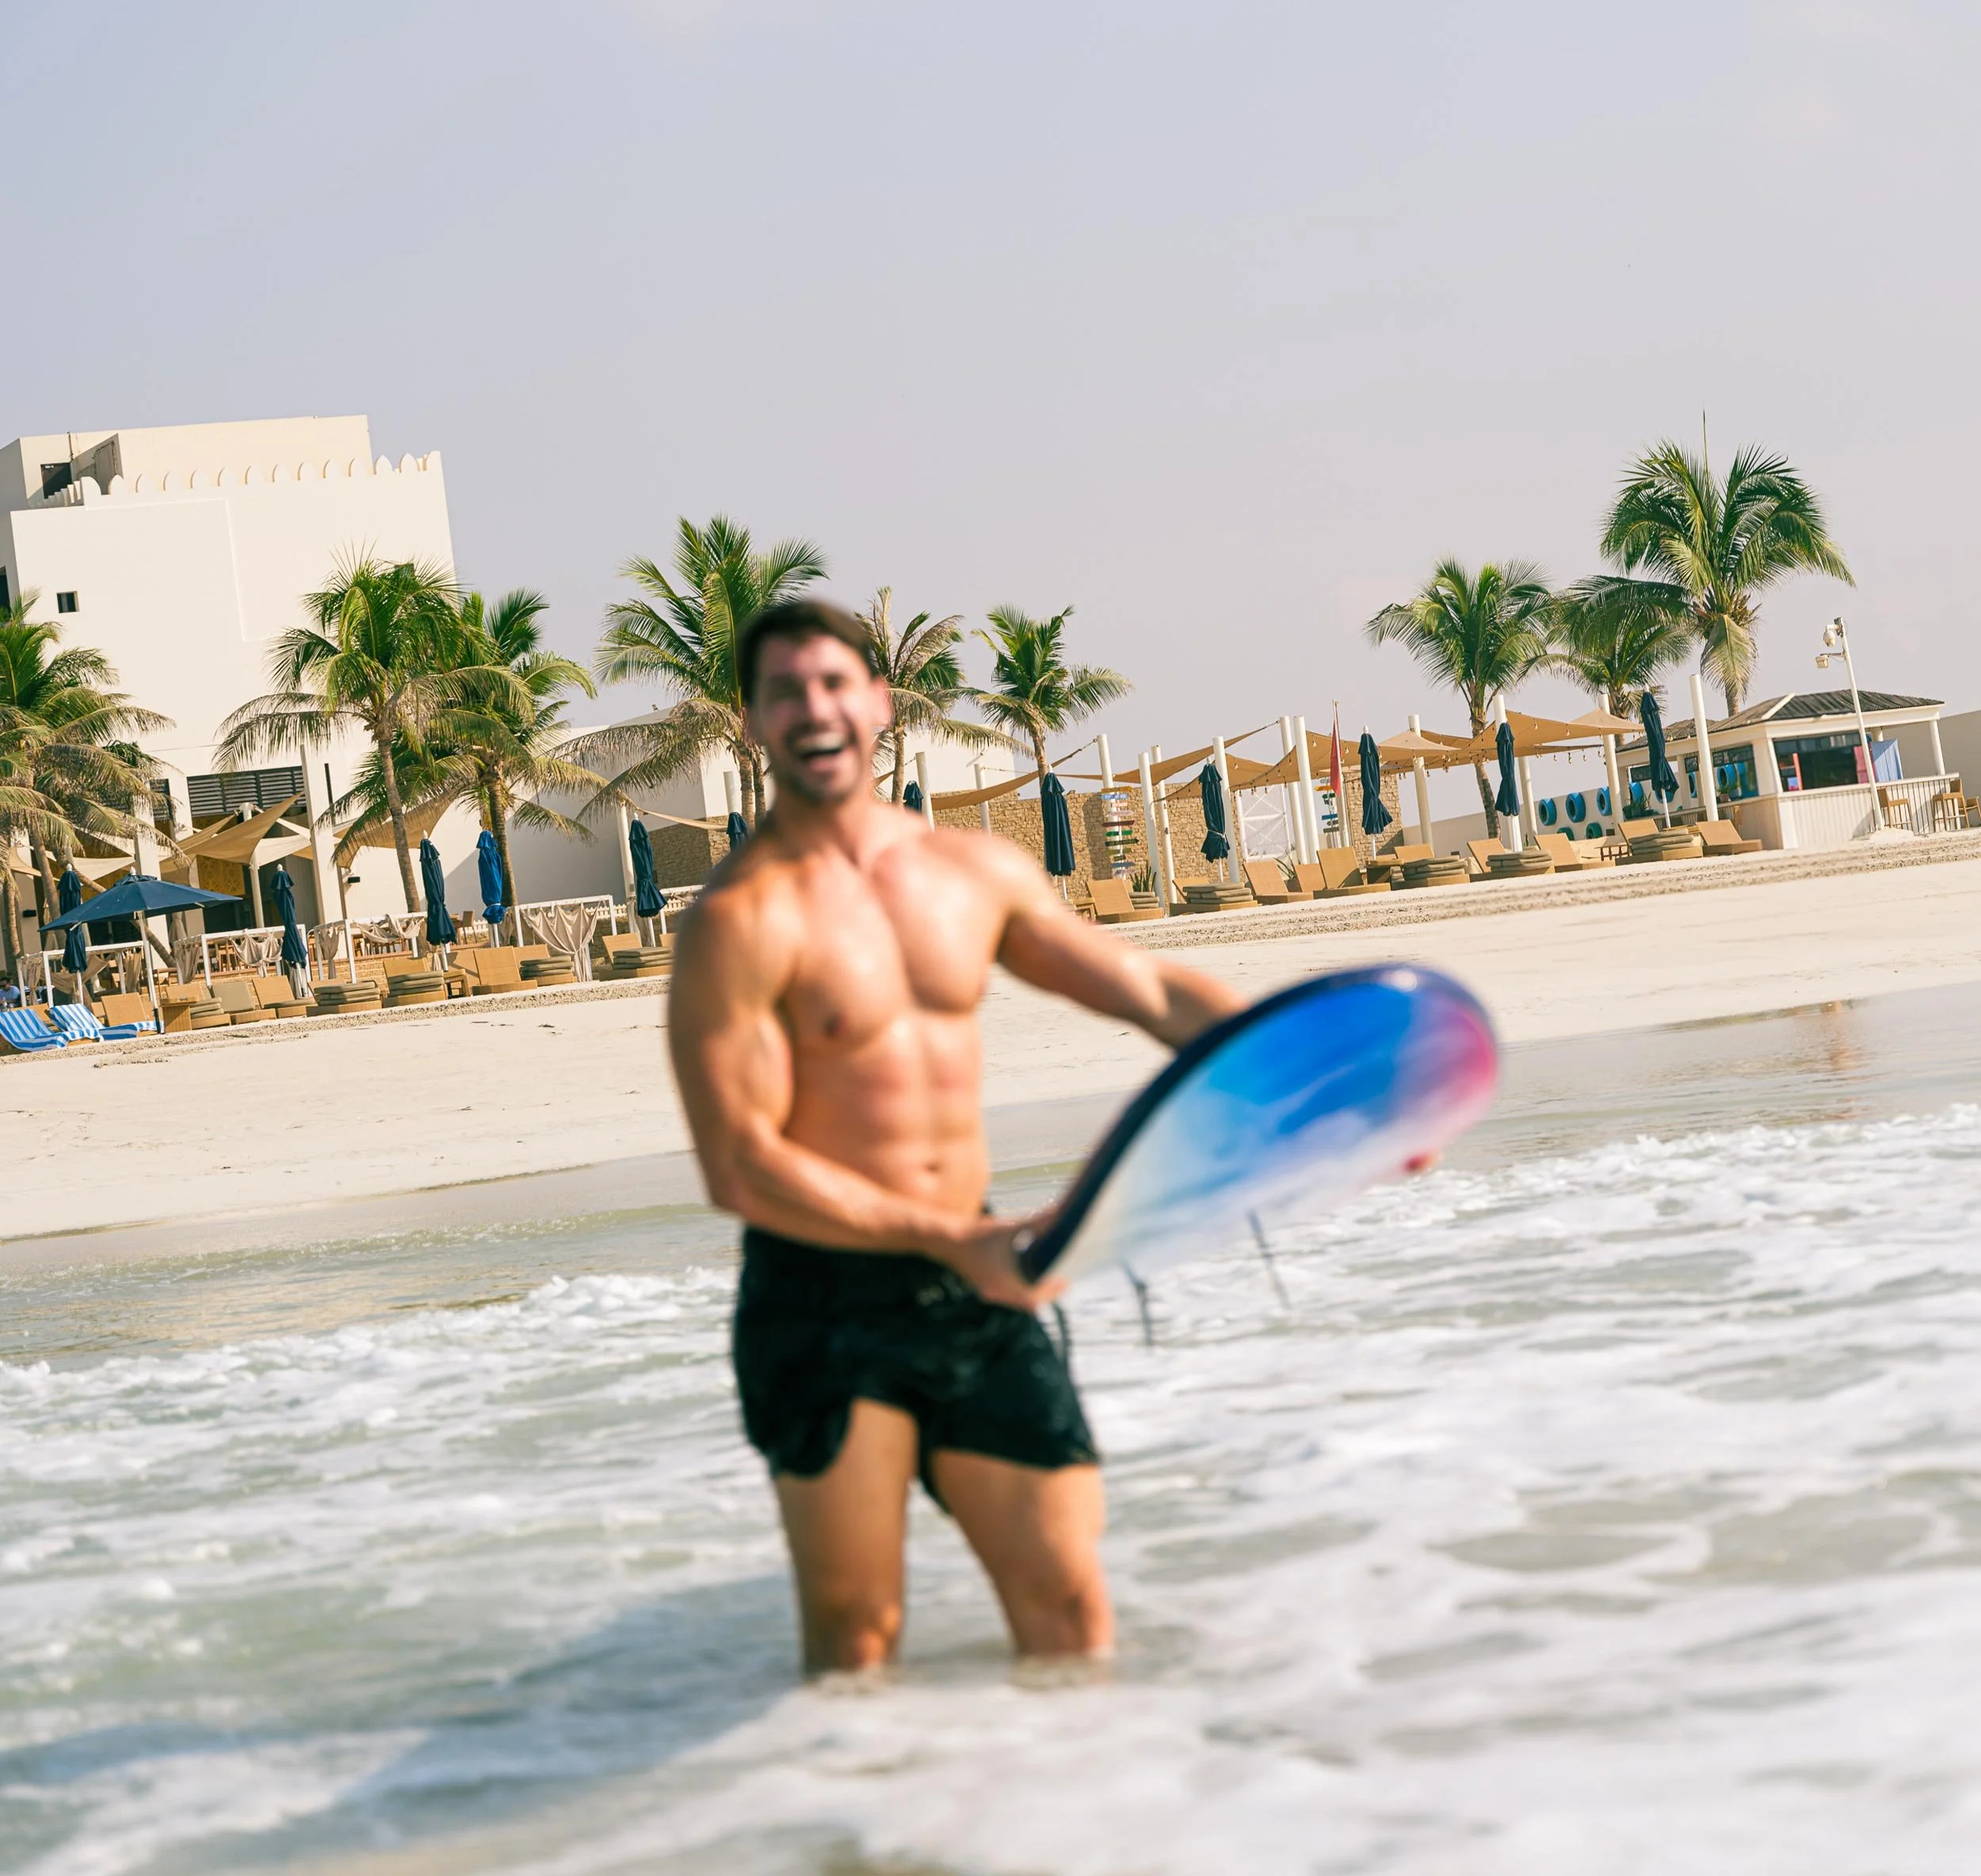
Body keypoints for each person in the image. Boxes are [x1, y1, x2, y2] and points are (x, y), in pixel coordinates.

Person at [669, 598, 1246, 1675]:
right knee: (858, 1640)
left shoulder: (969, 874)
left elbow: (1152, 990)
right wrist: (947, 1239)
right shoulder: (741, 920)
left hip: (975, 1283)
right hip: (823, 1299)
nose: (814, 708)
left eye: (835, 682)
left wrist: (1342, 1075)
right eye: (785, 690)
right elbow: (739, 1163)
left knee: (1070, 1612)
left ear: (880, 702)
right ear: (751, 720)